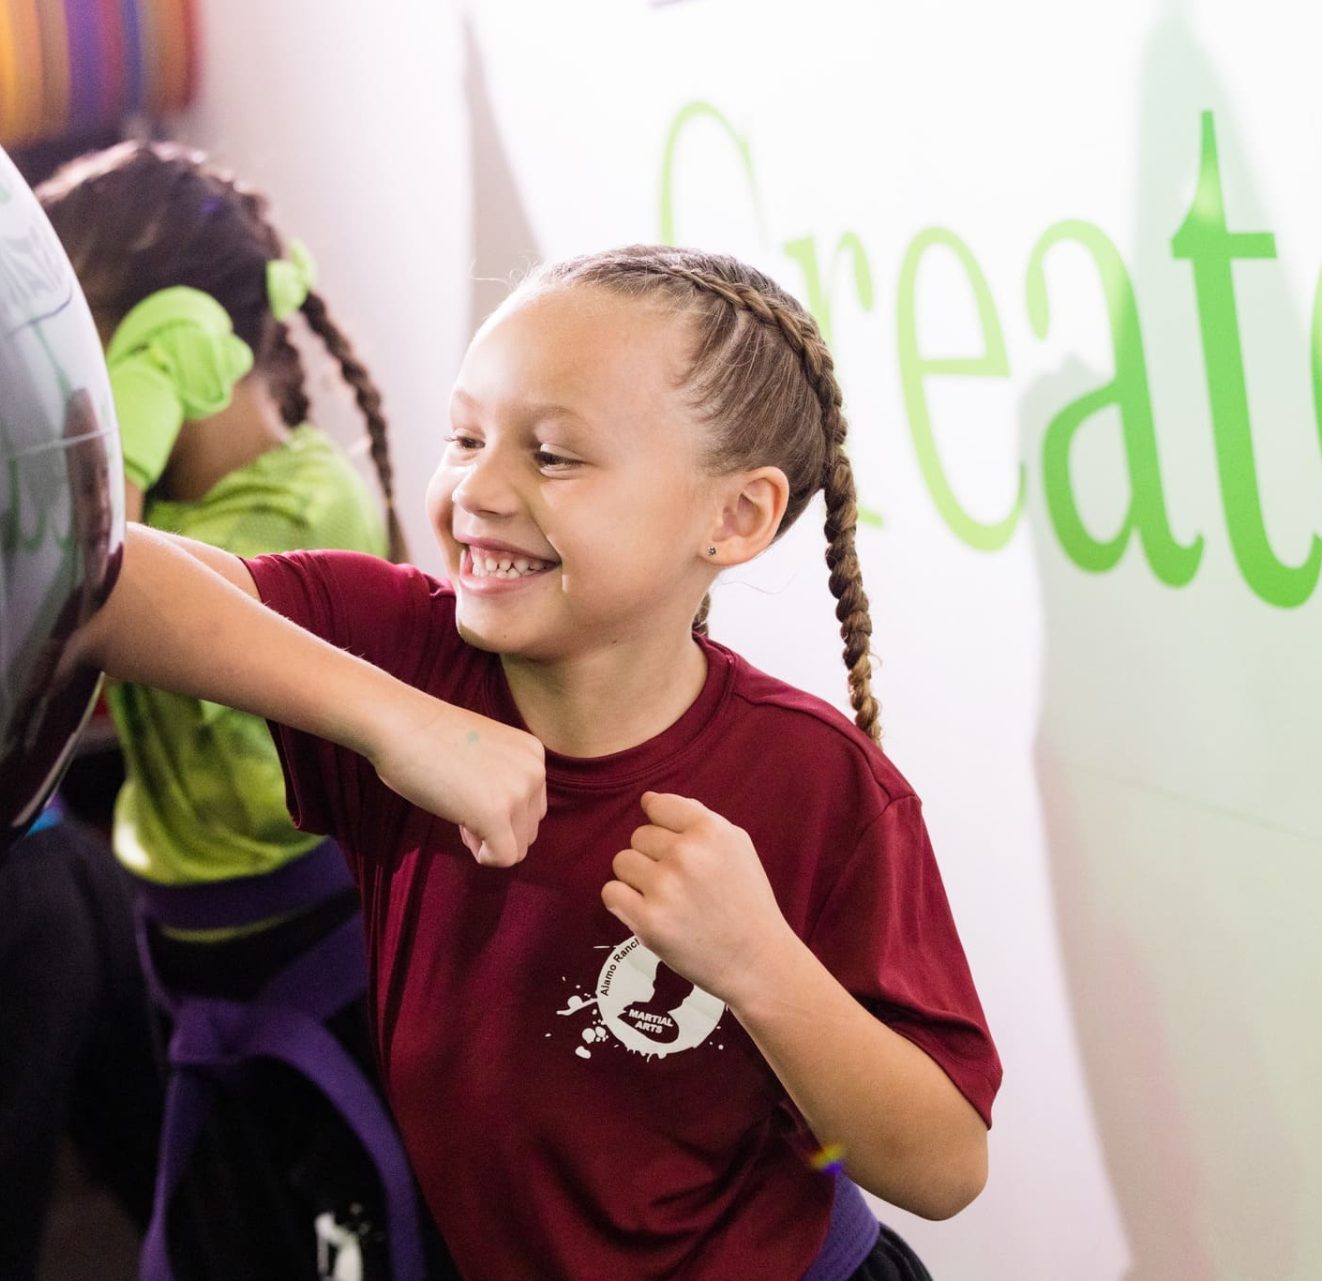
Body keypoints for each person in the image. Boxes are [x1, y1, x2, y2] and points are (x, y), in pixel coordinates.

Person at [69, 244, 1003, 1280]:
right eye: (464, 436)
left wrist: (758, 963)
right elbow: (89, 585)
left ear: (735, 518)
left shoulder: (815, 783)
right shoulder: (405, 655)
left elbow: (944, 1166)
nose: (478, 487)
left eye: (552, 455)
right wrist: (397, 723)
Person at [33, 141, 454, 1281]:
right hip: (200, 961)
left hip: (320, 973)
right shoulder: (161, 502)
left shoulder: (298, 506)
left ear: (169, 353)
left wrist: (125, 422)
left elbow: (80, 595)